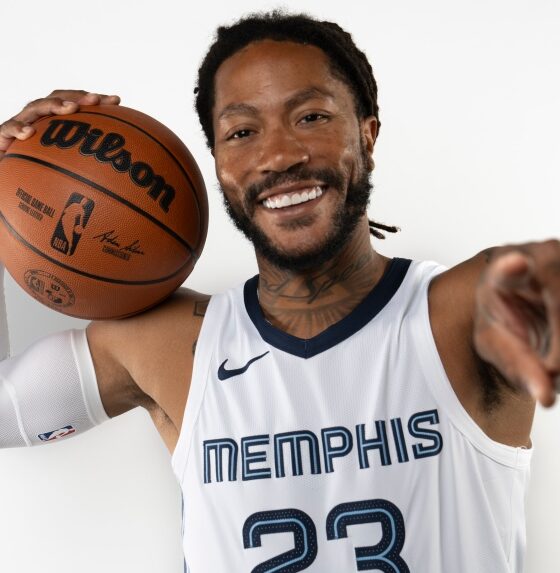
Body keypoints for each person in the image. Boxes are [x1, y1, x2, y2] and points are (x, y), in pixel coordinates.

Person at [0, 11, 558, 572]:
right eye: (242, 132)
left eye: (311, 116)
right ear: (217, 163)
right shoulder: (164, 347)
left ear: (367, 133)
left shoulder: (477, 309)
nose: (280, 156)